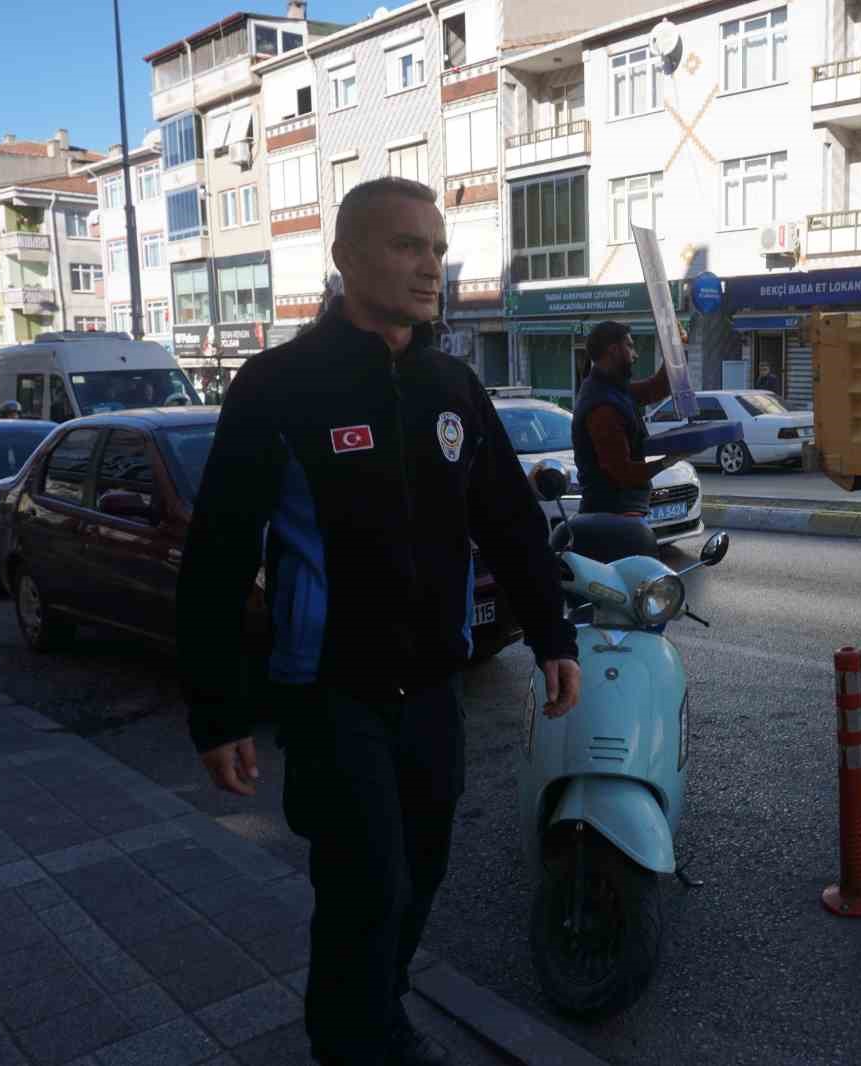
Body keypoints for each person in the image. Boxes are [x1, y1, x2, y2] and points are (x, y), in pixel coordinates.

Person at [177, 176, 582, 1066]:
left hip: (432, 687)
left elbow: (508, 519)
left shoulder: (451, 384)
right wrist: (217, 709)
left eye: (437, 249)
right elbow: (217, 553)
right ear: (348, 257)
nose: (430, 266)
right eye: (407, 246)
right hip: (330, 693)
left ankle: (372, 1008)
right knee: (366, 884)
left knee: (423, 873)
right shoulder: (279, 385)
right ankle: (360, 1039)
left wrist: (554, 635)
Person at [571, 320, 686, 516]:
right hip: (613, 516)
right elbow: (623, 473)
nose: (636, 355)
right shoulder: (603, 407)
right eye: (630, 346)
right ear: (614, 350)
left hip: (620, 512)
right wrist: (667, 462)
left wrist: (676, 345)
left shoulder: (611, 388)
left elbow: (656, 388)